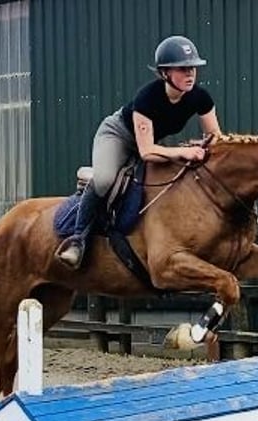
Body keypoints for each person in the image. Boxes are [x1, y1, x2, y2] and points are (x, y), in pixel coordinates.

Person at [55, 35, 222, 269]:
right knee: (104, 180)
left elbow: (216, 138)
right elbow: (146, 152)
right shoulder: (147, 98)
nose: (190, 74)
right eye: (183, 69)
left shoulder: (200, 97)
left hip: (150, 143)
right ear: (165, 73)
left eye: (193, 68)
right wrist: (183, 152)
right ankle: (77, 240)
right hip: (119, 137)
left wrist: (206, 149)